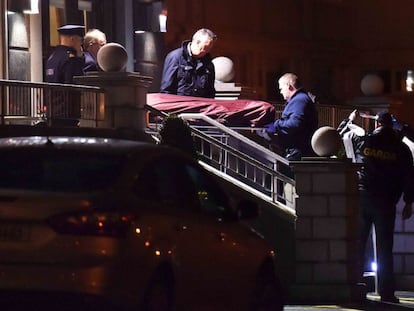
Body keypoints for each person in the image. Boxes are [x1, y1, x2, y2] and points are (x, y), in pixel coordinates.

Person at [338, 110, 414, 303]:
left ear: (377, 124)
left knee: (358, 245)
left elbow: (336, 137)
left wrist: (350, 119)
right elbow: (409, 178)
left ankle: (355, 287)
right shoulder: (401, 149)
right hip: (386, 202)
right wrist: (408, 202)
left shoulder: (365, 141)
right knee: (384, 248)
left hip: (362, 198)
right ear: (391, 125)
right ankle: (387, 292)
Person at [258, 73, 318, 161]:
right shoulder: (300, 99)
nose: (280, 92)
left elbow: (295, 123)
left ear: (289, 86)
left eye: (281, 89)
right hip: (297, 151)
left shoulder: (299, 100)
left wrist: (275, 126)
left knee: (279, 173)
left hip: (297, 152)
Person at [45, 24, 85, 126]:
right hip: (67, 112)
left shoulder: (52, 58)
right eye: (80, 40)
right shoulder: (70, 59)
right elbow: (74, 83)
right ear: (72, 39)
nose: (81, 44)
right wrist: (80, 59)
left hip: (52, 110)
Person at [160, 28, 217, 98]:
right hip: (180, 105)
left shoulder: (208, 64)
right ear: (197, 42)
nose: (207, 51)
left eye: (210, 48)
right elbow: (166, 89)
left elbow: (210, 92)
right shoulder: (175, 58)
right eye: (206, 47)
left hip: (201, 106)